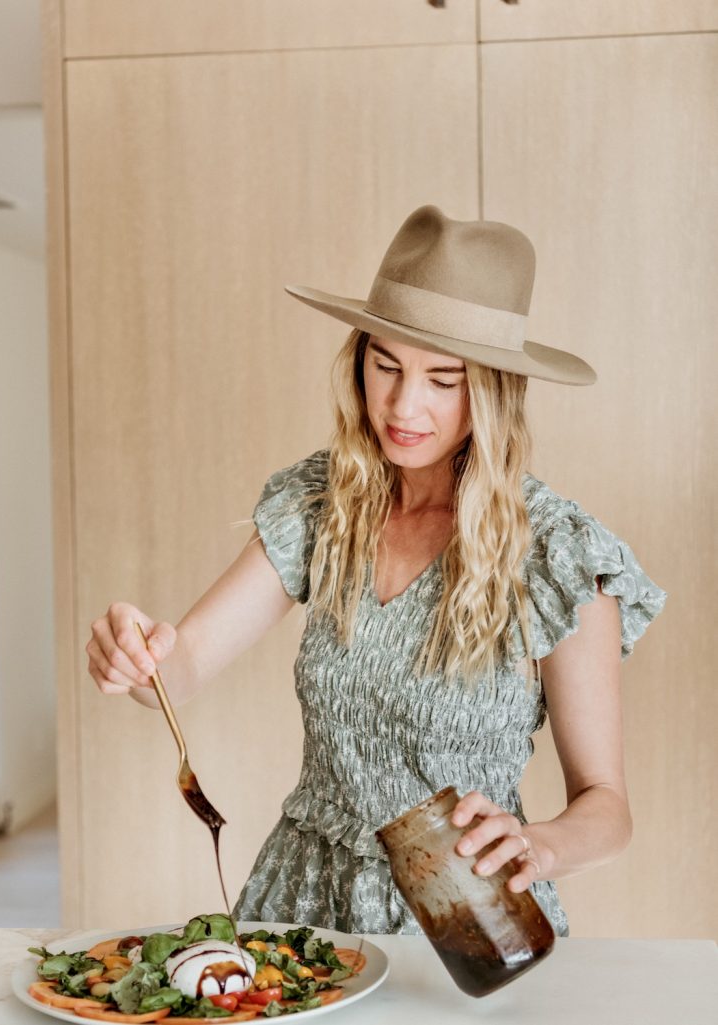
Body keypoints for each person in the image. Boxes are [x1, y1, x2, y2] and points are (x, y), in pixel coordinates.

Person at [86, 205, 666, 937]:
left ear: (491, 390)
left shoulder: (557, 553)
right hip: (301, 908)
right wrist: (138, 655)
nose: (402, 404)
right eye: (384, 363)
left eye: (442, 379)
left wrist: (539, 843)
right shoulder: (322, 505)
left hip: (469, 922)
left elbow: (607, 805)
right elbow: (183, 664)